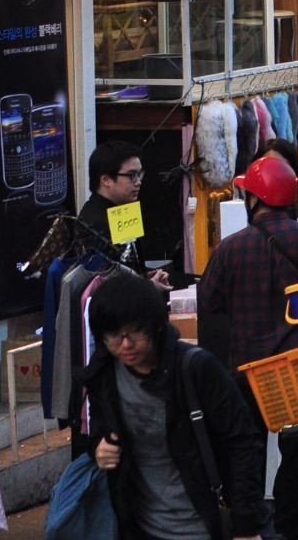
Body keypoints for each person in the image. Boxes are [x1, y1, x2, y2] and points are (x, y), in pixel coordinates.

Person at [195, 156, 298, 540]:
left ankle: (250, 527)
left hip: (247, 372)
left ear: (255, 199)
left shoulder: (228, 250)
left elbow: (208, 304)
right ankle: (288, 529)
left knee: (246, 450)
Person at [80, 273, 266, 540]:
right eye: (114, 335)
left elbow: (243, 443)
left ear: (155, 326)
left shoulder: (196, 369)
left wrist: (246, 526)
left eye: (135, 332)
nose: (125, 344)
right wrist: (99, 446)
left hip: (205, 526)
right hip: (140, 528)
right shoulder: (105, 374)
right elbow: (100, 428)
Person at [80, 141, 168, 286]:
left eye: (140, 174)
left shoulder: (123, 210)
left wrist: (146, 276)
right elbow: (104, 286)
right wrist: (148, 287)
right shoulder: (94, 223)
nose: (138, 182)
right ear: (106, 180)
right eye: (132, 175)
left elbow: (130, 265)